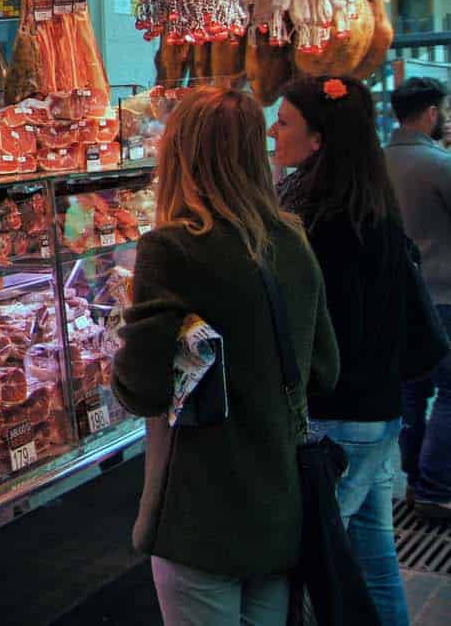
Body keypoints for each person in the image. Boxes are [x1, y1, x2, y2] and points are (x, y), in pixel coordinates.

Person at [113, 87, 339, 626]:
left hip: (201, 512)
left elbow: (141, 391)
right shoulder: (291, 237)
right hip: (277, 502)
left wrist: (129, 336)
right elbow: (324, 371)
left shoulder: (171, 247)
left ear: (180, 155)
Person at [271, 75, 412, 626]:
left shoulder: (315, 219)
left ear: (318, 140)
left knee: (320, 564)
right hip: (378, 409)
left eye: (284, 122)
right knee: (374, 556)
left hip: (338, 415)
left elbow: (308, 326)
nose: (273, 131)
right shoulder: (371, 203)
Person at [386, 77, 451, 519]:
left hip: (394, 298)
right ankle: (435, 487)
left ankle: (413, 480)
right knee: (450, 391)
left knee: (410, 391)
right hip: (442, 296)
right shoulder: (439, 166)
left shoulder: (374, 164)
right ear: (430, 112)